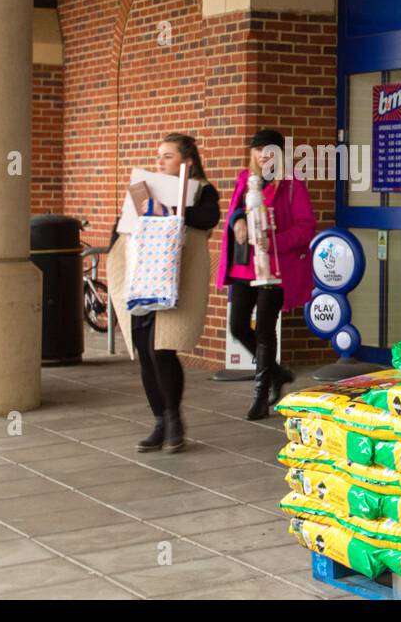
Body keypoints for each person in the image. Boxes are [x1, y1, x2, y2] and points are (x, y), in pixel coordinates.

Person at [107, 134, 220, 453]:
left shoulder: (202, 190)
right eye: (158, 156)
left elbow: (208, 219)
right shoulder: (145, 187)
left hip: (177, 282)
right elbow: (122, 227)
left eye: (167, 156)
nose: (160, 161)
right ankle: (159, 421)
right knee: (144, 350)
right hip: (143, 279)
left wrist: (168, 207)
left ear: (187, 162)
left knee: (163, 349)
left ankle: (174, 421)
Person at [216, 129, 317, 420]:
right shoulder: (245, 180)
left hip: (274, 269)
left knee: (264, 328)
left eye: (269, 150)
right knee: (237, 326)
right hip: (244, 264)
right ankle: (276, 373)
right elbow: (236, 211)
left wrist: (273, 240)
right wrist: (237, 222)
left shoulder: (292, 185)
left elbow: (305, 227)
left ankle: (260, 395)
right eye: (259, 150)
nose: (263, 155)